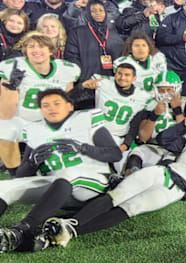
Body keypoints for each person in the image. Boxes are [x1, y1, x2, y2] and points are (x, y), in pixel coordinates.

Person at [35, 111, 186, 251]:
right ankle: (71, 224)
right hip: (162, 172)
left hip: (176, 191)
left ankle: (71, 231)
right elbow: (164, 140)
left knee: (131, 208)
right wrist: (182, 126)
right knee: (116, 196)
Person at [0, 89, 122, 253]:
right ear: (41, 110)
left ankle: (20, 231)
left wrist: (83, 148)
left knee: (68, 174)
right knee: (5, 187)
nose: (51, 108)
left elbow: (115, 154)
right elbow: (21, 177)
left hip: (92, 185)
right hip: (57, 190)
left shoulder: (86, 119)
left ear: (70, 106)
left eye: (57, 103)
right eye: (46, 105)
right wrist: (31, 162)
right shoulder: (34, 130)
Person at [0, 33, 80, 175]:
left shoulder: (65, 70)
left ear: (50, 50)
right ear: (25, 52)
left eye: (41, 46)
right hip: (22, 119)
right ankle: (15, 173)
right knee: (4, 128)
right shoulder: (13, 67)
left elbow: (67, 105)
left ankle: (45, 167)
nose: (36, 50)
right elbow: (6, 114)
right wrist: (11, 87)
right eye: (31, 46)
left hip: (49, 122)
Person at [80, 63, 154, 172]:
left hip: (119, 138)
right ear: (115, 74)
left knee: (127, 169)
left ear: (134, 78)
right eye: (119, 73)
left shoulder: (143, 96)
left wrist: (125, 145)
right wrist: (84, 86)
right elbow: (80, 93)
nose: (122, 77)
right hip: (96, 133)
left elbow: (135, 124)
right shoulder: (104, 84)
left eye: (127, 75)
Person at [64, 0, 124, 106]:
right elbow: (71, 57)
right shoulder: (77, 32)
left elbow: (120, 58)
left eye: (101, 10)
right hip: (86, 85)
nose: (98, 13)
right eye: (93, 10)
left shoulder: (113, 33)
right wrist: (82, 79)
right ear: (87, 13)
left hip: (108, 85)